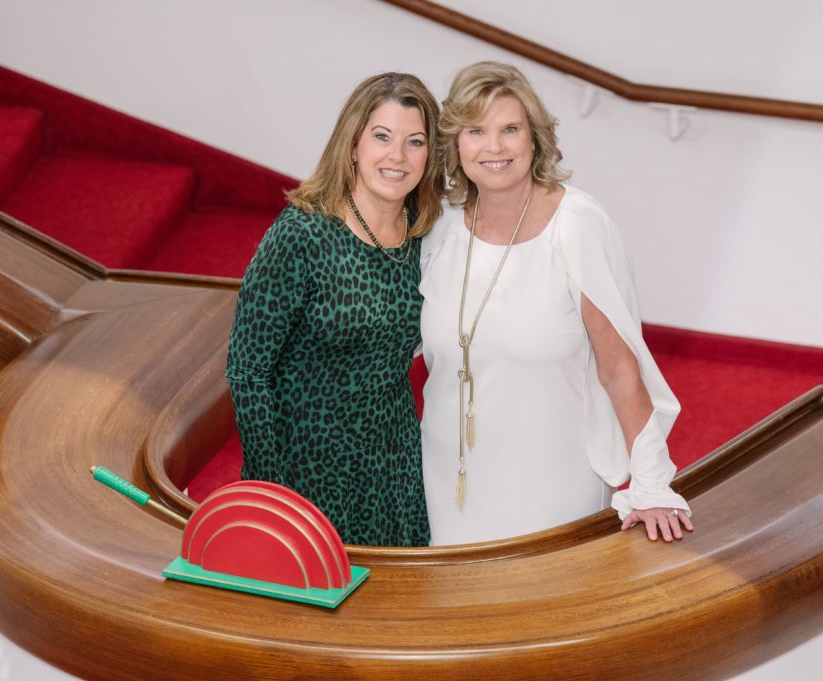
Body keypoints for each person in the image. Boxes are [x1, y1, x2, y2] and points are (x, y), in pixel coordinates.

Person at [420, 62, 693, 545]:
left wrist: (651, 482)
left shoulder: (578, 227)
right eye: (476, 131)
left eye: (510, 129)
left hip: (551, 481)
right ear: (455, 144)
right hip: (448, 478)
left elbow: (619, 368)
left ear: (534, 139)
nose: (495, 146)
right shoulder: (439, 227)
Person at [225, 73, 444, 547]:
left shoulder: (427, 235)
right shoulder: (303, 234)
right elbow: (246, 371)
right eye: (382, 137)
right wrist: (272, 485)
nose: (397, 156)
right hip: (306, 466)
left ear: (430, 157)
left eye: (415, 142)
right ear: (353, 144)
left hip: (391, 464)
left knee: (389, 612)